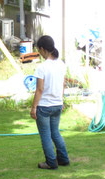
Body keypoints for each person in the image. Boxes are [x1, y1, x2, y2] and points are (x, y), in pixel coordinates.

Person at [30, 35, 70, 170]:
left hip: (44, 106)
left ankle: (51, 162)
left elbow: (39, 90)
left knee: (46, 136)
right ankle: (63, 159)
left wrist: (33, 107)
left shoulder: (42, 67)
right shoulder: (61, 64)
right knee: (55, 133)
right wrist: (61, 100)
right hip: (57, 104)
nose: (40, 53)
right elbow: (63, 84)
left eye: (39, 50)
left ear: (42, 49)